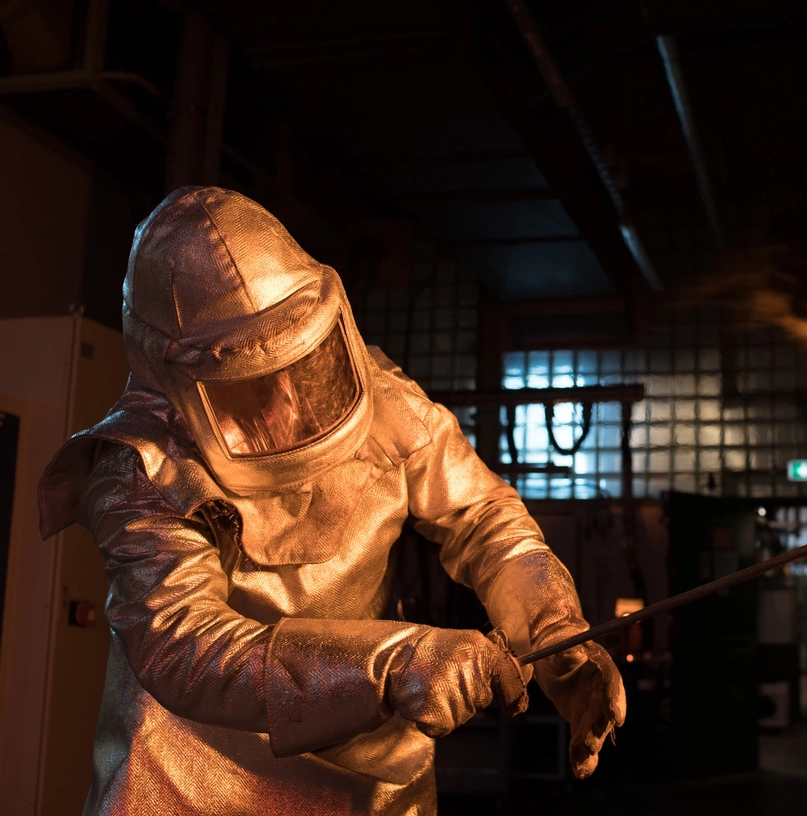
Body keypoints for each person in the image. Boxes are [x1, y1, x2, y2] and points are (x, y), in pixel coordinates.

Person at [37, 186, 625, 815]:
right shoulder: (141, 469)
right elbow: (185, 644)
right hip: (188, 775)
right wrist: (394, 666)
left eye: (304, 357)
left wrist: (556, 636)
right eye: (251, 383)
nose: (290, 400)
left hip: (371, 763)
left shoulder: (384, 402)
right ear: (176, 381)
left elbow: (483, 519)